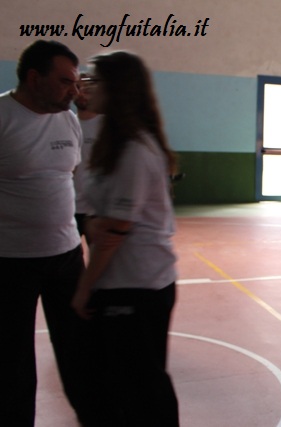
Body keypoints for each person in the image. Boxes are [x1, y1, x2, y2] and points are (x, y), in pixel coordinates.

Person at [0, 39, 108, 426]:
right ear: (34, 78)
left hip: (65, 256)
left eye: (77, 82)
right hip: (10, 261)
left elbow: (70, 177)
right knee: (12, 363)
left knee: (81, 350)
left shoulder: (68, 119)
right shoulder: (2, 116)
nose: (75, 91)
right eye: (65, 81)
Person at [71, 50, 180, 425]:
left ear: (116, 89)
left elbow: (117, 230)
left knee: (143, 387)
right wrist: (98, 223)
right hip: (125, 281)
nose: (86, 86)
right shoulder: (112, 141)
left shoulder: (134, 149)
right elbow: (104, 218)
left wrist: (85, 287)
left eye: (94, 79)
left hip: (138, 285)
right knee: (123, 381)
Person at [74, 72, 102, 242]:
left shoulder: (108, 126)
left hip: (98, 210)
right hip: (70, 209)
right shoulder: (66, 122)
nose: (82, 93)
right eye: (78, 88)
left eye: (88, 89)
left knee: (101, 264)